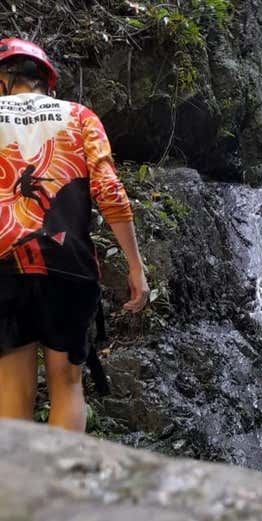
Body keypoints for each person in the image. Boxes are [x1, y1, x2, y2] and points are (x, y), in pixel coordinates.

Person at [0, 38, 149, 432]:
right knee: (67, 384)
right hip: (68, 266)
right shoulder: (79, 116)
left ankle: (15, 492)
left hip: (5, 268)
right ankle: (61, 491)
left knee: (12, 390)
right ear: (44, 80)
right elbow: (110, 191)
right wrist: (135, 266)